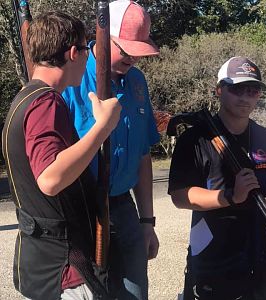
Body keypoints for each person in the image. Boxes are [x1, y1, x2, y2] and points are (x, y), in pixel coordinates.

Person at [2, 11, 121, 300]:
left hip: (46, 264)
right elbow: (50, 178)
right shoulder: (45, 102)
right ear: (72, 52)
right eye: (85, 48)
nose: (86, 58)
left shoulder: (26, 98)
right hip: (64, 269)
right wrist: (103, 127)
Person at [168, 56, 266, 300]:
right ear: (219, 90)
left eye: (253, 90)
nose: (245, 97)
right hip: (213, 253)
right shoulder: (195, 139)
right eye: (236, 89)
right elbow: (180, 196)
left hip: (261, 253)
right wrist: (230, 196)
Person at [62, 1, 160, 299]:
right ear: (104, 38)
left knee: (135, 293)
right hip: (80, 210)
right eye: (126, 49)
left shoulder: (137, 81)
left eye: (137, 50)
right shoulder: (71, 77)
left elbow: (143, 155)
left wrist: (147, 222)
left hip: (124, 206)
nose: (133, 58)